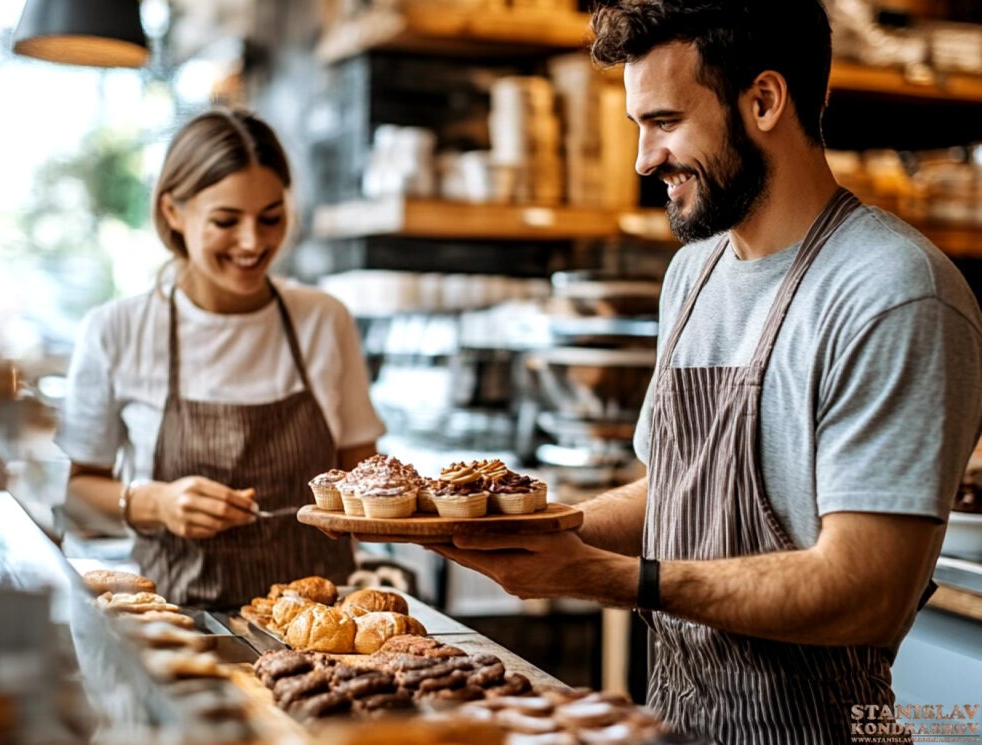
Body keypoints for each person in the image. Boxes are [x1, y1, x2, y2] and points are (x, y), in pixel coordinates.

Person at [433, 2, 982, 743]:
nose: (642, 160)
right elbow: (679, 485)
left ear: (763, 101)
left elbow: (867, 590)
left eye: (664, 122)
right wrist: (533, 528)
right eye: (637, 127)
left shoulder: (894, 291)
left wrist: (604, 576)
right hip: (678, 723)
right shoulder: (693, 274)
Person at [56, 107, 384, 608]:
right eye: (226, 221)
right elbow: (79, 495)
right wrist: (155, 502)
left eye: (271, 218)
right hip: (173, 627)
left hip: (319, 635)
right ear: (173, 212)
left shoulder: (323, 319)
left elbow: (366, 477)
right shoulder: (117, 329)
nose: (253, 242)